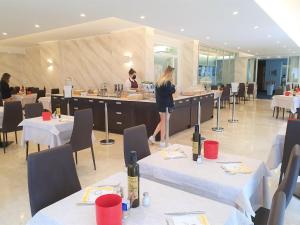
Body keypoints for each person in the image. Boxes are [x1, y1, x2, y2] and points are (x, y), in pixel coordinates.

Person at [149, 66, 176, 147]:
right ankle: (162, 141)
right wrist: (173, 85)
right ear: (170, 73)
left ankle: (153, 137)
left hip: (160, 105)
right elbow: (172, 90)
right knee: (164, 123)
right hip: (166, 106)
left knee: (162, 122)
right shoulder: (167, 82)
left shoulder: (159, 81)